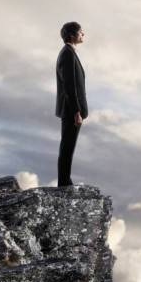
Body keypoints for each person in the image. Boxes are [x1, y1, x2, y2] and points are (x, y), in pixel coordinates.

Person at [56, 22, 88, 187]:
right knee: (67, 146)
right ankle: (64, 182)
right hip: (70, 110)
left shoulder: (69, 53)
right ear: (72, 35)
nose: (83, 34)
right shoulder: (67, 54)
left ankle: (65, 180)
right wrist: (76, 111)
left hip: (71, 110)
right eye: (81, 32)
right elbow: (70, 85)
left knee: (68, 146)